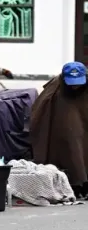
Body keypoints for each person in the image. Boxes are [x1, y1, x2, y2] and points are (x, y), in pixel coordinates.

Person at [30, 61, 88, 197]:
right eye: (72, 82)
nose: (75, 86)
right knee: (71, 144)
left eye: (79, 82)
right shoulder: (55, 89)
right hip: (64, 119)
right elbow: (40, 110)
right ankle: (77, 183)